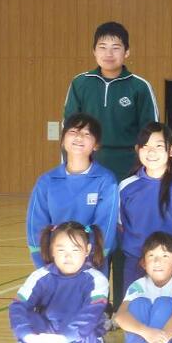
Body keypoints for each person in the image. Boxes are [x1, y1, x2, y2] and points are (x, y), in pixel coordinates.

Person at [9, 222, 109, 343]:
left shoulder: (96, 279)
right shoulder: (41, 276)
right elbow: (19, 306)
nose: (68, 256)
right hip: (46, 342)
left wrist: (63, 338)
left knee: (79, 335)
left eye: (75, 250)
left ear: (87, 250)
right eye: (61, 250)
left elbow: (90, 315)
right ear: (52, 250)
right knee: (29, 321)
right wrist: (27, 334)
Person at [63, 21, 158, 181]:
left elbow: (151, 133)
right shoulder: (80, 83)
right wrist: (69, 167)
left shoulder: (140, 87)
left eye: (115, 48)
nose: (108, 54)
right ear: (94, 51)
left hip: (129, 169)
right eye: (102, 47)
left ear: (127, 52)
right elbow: (69, 128)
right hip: (87, 166)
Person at [27, 114, 118, 273]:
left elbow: (106, 227)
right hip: (54, 266)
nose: (79, 137)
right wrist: (45, 266)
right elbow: (36, 226)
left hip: (92, 267)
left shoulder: (106, 180)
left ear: (96, 145)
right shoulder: (46, 181)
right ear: (63, 140)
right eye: (73, 131)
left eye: (87, 133)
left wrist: (89, 263)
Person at [119, 122, 172, 295]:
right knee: (136, 310)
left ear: (171, 150)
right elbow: (121, 227)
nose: (151, 152)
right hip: (137, 265)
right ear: (137, 149)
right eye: (145, 146)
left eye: (159, 146)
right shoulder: (126, 187)